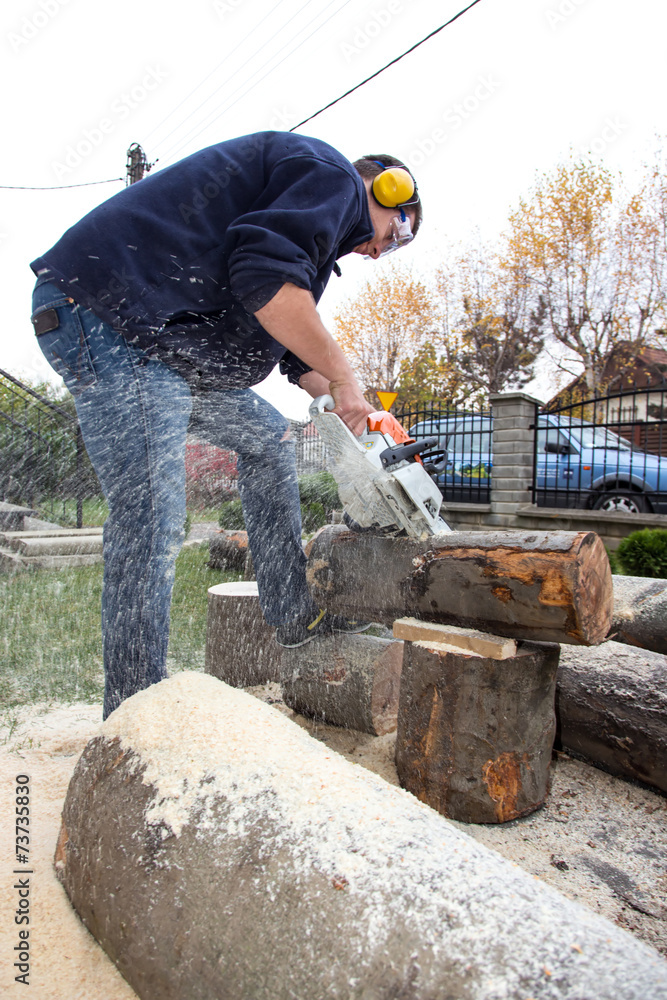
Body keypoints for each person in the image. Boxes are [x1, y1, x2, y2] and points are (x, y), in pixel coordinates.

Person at [29, 130, 422, 719]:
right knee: (152, 517)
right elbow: (264, 281)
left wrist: (360, 412)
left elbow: (291, 350)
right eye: (398, 233)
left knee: (268, 439)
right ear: (387, 189)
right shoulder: (333, 177)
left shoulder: (305, 239)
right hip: (110, 319)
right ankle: (136, 716)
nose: (379, 251)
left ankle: (293, 613)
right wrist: (344, 377)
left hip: (157, 347)